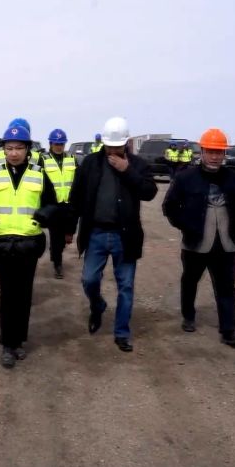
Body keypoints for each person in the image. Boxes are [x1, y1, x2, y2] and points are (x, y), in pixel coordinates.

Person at [68, 117, 157, 352]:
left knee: (125, 286)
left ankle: (121, 333)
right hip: (96, 233)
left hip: (124, 236)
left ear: (126, 142)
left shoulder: (137, 165)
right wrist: (69, 228)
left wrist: (127, 171)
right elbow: (76, 196)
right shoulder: (90, 163)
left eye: (117, 146)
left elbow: (149, 192)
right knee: (89, 280)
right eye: (109, 146)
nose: (113, 151)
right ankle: (97, 305)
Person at [0, 124, 60, 368]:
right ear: (3, 150)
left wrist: (42, 216)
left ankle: (19, 340)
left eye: (19, 148)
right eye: (9, 148)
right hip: (2, 241)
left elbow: (52, 203)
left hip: (28, 242)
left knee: (24, 294)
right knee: (7, 293)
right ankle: (7, 344)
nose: (14, 153)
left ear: (27, 149)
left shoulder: (38, 174)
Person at [162, 128, 235, 348]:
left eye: (218, 152)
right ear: (202, 152)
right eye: (210, 151)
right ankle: (188, 316)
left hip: (226, 245)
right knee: (190, 281)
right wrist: (187, 227)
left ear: (224, 154)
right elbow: (169, 207)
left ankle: (229, 330)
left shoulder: (234, 179)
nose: (214, 157)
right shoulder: (185, 178)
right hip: (195, 244)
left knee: (226, 287)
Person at [42, 129, 78, 279]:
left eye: (61, 144)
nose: (59, 147)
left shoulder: (72, 159)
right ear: (51, 144)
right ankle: (58, 263)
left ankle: (56, 251)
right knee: (56, 236)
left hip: (69, 205)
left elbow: (77, 180)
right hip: (53, 205)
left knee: (66, 236)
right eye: (56, 144)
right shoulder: (43, 160)